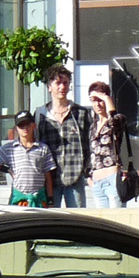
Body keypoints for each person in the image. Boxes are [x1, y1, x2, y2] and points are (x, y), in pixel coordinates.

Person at [34, 64, 92, 207]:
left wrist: (88, 171)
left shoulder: (80, 113)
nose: (62, 87)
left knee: (77, 218)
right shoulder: (40, 114)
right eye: (58, 83)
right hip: (50, 179)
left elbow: (89, 143)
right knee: (51, 219)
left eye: (65, 82)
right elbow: (35, 143)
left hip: (75, 175)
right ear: (49, 87)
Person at [0, 111, 55, 207]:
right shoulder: (10, 148)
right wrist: (6, 169)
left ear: (34, 125)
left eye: (28, 124)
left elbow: (48, 175)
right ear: (17, 128)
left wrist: (50, 199)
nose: (25, 128)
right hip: (19, 199)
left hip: (38, 198)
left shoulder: (43, 148)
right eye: (21, 125)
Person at [85, 81, 129, 208]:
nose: (97, 104)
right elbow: (91, 152)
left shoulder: (117, 119)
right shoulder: (93, 126)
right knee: (103, 221)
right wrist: (89, 178)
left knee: (117, 218)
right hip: (97, 181)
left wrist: (105, 97)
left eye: (100, 100)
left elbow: (114, 121)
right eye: (93, 100)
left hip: (112, 179)